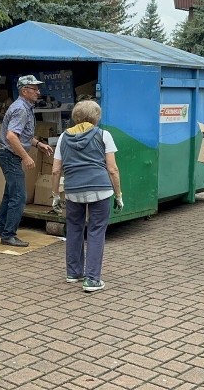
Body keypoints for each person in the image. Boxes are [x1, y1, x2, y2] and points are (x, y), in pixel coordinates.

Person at [50, 100, 122, 292]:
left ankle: (73, 273)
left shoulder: (63, 137)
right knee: (96, 231)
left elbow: (56, 170)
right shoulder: (104, 135)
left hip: (73, 190)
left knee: (74, 229)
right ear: (96, 117)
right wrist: (118, 194)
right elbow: (113, 169)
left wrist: (55, 194)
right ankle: (92, 279)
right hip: (100, 188)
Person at [0, 75, 54, 247]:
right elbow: (11, 136)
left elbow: (22, 134)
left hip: (8, 155)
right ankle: (8, 235)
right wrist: (26, 156)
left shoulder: (24, 106)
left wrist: (38, 144)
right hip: (10, 156)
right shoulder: (21, 109)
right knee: (19, 196)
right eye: (34, 89)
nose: (38, 92)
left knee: (10, 193)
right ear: (24, 91)